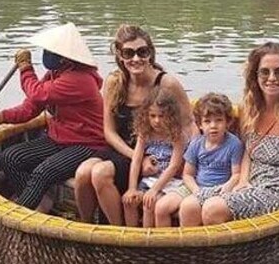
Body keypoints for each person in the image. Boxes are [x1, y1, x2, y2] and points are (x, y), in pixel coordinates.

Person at [179, 41, 279, 226]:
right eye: (265, 71)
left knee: (212, 208)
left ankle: (224, 255)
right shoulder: (250, 107)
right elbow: (247, 148)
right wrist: (242, 180)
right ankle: (196, 255)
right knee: (188, 205)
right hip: (252, 181)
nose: (272, 78)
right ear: (255, 75)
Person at [0, 23, 107, 212]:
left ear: (65, 56)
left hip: (87, 144)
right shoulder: (54, 75)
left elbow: (38, 94)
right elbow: (30, 109)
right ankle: (40, 200)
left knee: (43, 172)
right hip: (59, 139)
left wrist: (25, 68)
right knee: (10, 157)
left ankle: (20, 211)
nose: (46, 54)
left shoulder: (80, 79)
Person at [73, 24, 195, 225]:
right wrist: (139, 156)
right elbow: (109, 131)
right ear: (120, 56)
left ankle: (118, 231)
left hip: (155, 152)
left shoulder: (166, 83)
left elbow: (189, 123)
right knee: (83, 172)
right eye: (129, 53)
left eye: (142, 52)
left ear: (150, 54)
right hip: (126, 150)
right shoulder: (114, 82)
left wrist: (191, 161)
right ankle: (86, 227)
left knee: (99, 173)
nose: (136, 59)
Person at [155, 93, 243, 227]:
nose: (213, 126)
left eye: (219, 120)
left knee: (188, 207)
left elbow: (236, 174)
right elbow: (188, 174)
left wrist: (228, 187)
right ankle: (165, 244)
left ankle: (194, 244)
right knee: (161, 207)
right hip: (195, 186)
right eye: (207, 121)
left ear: (228, 122)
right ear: (200, 125)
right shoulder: (197, 143)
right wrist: (196, 190)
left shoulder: (234, 144)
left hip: (220, 189)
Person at [121, 88, 187, 227]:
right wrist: (132, 187)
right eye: (152, 116)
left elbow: (174, 166)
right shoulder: (145, 133)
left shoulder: (177, 136)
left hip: (169, 182)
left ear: (170, 115)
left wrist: (155, 189)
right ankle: (132, 239)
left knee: (149, 203)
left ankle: (148, 241)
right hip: (148, 180)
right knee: (129, 201)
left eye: (161, 116)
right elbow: (137, 160)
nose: (156, 121)